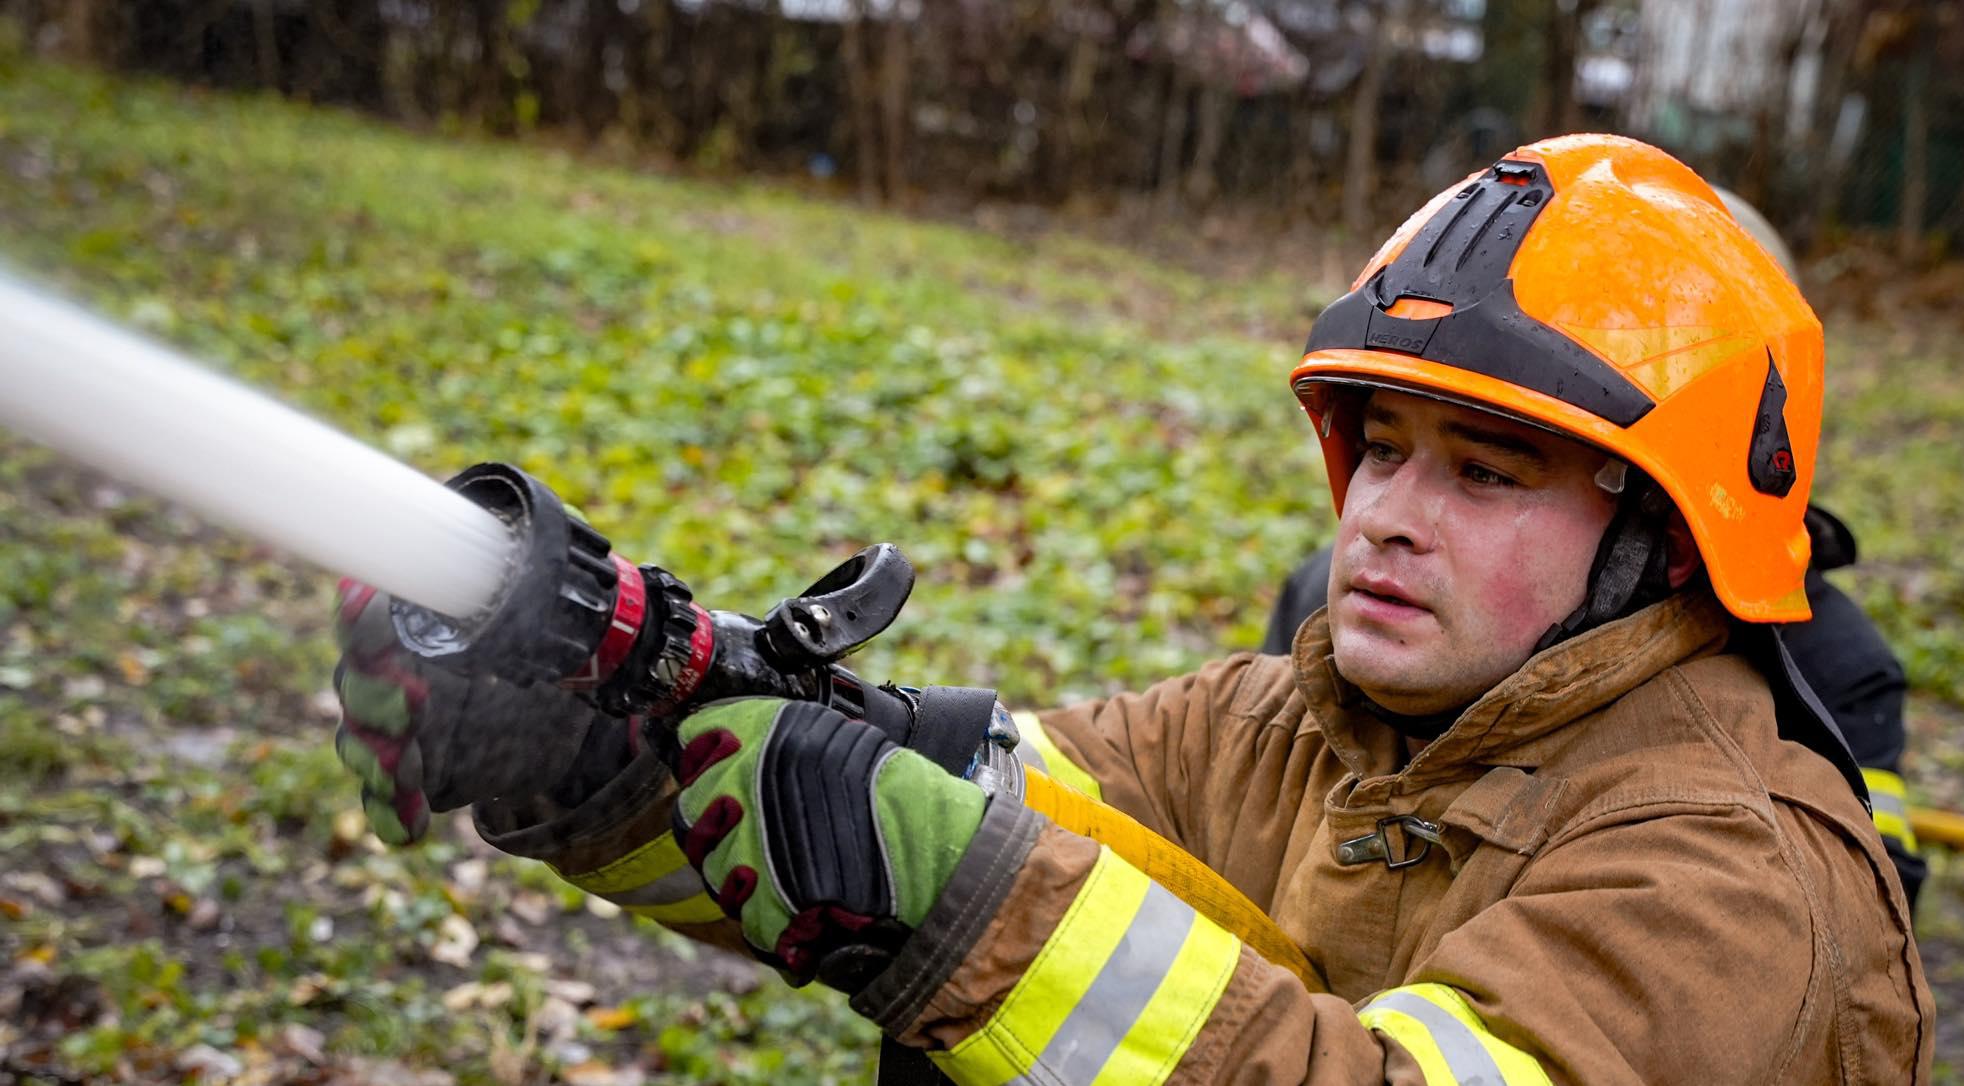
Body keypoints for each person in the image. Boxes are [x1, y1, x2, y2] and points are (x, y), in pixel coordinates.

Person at [332, 135, 1934, 1083]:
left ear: (1662, 537)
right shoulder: (1291, 724)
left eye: (1488, 472)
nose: (1385, 508)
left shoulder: (1739, 875)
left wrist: (951, 903)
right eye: (1379, 446)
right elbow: (927, 813)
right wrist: (601, 748)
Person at [1260, 504, 1929, 908]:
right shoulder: (1339, 587)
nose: (1386, 525)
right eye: (1383, 449)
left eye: (1486, 473)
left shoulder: (1837, 661)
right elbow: (1276, 773)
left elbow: (1873, 895)